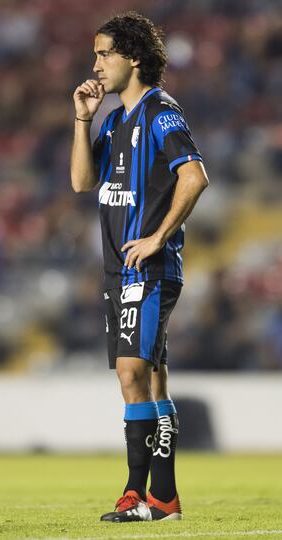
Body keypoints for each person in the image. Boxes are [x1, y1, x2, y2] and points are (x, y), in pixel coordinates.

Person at [71, 11, 209, 523]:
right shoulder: (114, 119)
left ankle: (134, 494)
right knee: (152, 381)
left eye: (104, 52)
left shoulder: (160, 112)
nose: (97, 63)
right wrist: (83, 119)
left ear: (134, 57)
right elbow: (82, 182)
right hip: (118, 271)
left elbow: (194, 177)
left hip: (148, 269)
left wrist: (157, 237)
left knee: (132, 374)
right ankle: (165, 500)